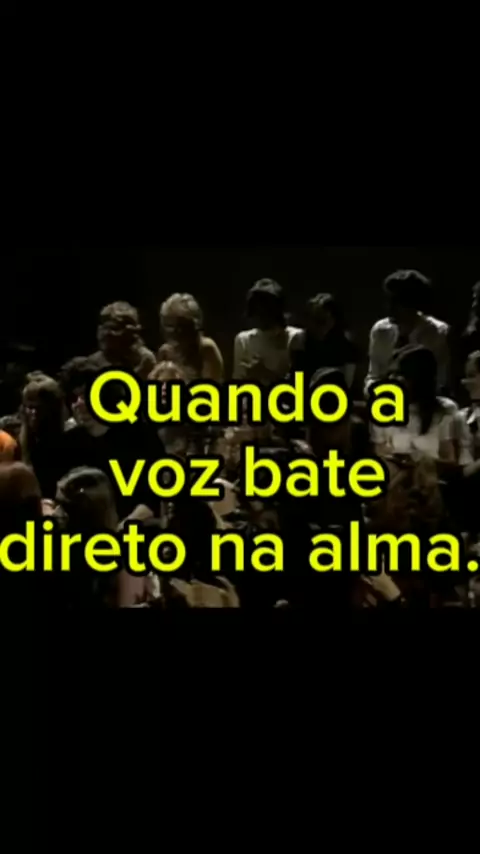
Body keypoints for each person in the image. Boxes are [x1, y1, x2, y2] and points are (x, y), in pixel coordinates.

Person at [58, 357, 164, 521]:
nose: (78, 404)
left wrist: (124, 527)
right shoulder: (70, 441)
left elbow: (153, 499)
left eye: (85, 395)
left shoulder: (140, 436)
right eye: (74, 398)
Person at [365, 270, 450, 394]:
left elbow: (441, 382)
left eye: (396, 302)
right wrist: (376, 392)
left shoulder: (438, 332)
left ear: (413, 303)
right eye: (388, 300)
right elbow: (373, 376)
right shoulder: (380, 331)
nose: (389, 307)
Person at [233, 279, 302, 383]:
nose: (260, 312)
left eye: (265, 307)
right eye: (256, 306)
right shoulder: (244, 340)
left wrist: (266, 374)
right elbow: (237, 381)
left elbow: (300, 384)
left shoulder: (296, 338)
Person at [291, 292, 360, 387]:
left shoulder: (346, 348)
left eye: (321, 321)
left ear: (334, 321)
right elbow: (297, 379)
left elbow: (347, 384)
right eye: (312, 319)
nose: (314, 325)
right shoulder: (300, 341)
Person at [19, 373, 68, 499]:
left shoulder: (70, 440)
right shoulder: (17, 438)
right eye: (30, 407)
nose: (34, 413)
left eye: (39, 407)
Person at [158, 293, 224, 382]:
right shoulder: (165, 352)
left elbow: (209, 385)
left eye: (180, 326)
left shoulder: (206, 348)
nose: (175, 332)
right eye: (169, 326)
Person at [89, 301, 156, 380]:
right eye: (104, 327)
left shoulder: (144, 359)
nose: (106, 333)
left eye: (113, 328)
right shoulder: (93, 363)